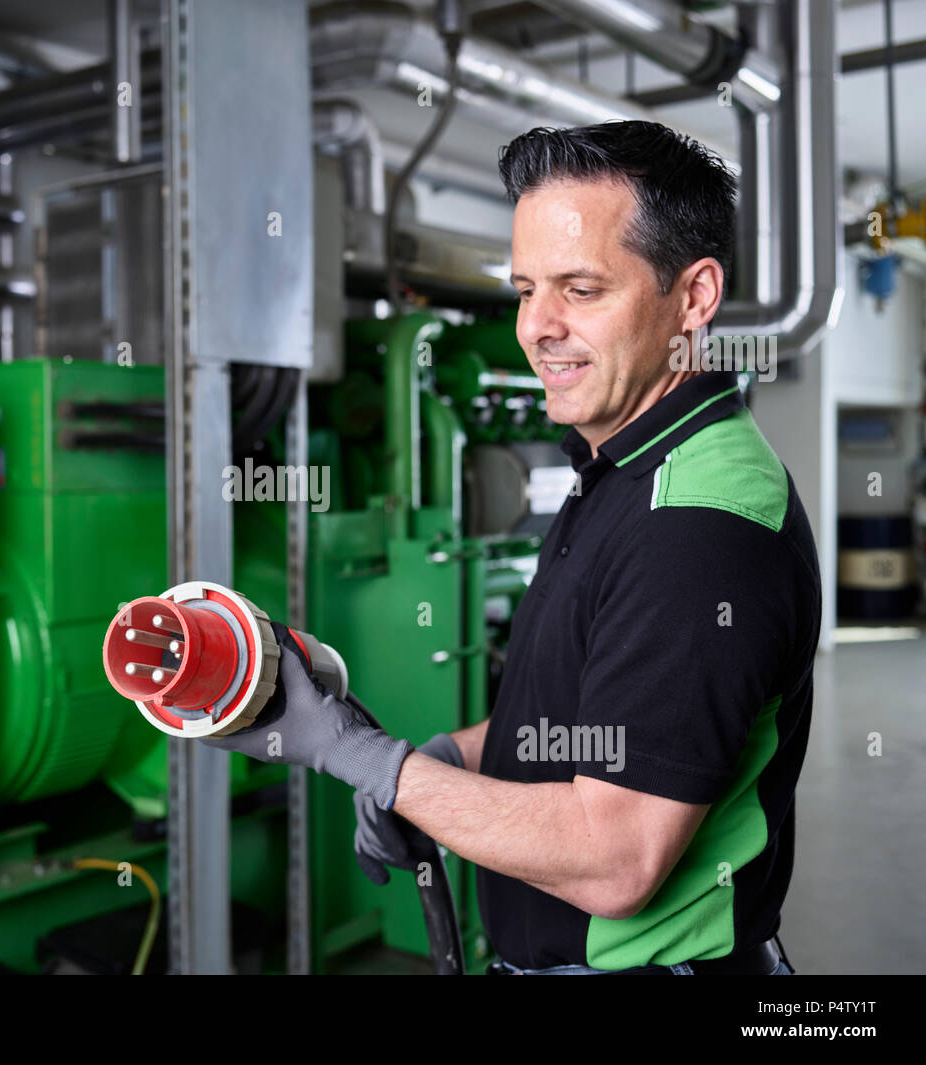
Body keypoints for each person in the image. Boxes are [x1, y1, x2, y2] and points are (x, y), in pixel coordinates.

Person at [206, 120, 819, 975]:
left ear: (694, 296)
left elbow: (618, 858)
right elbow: (593, 726)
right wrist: (447, 761)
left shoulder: (698, 523)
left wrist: (362, 758)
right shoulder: (624, 462)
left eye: (581, 287)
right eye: (526, 288)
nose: (537, 326)